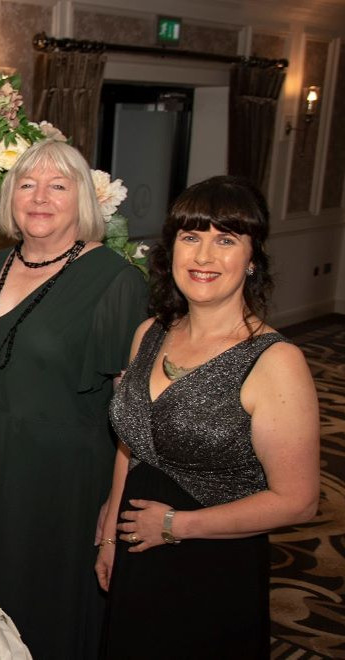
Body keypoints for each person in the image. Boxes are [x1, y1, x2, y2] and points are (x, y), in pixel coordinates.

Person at [97, 176, 319, 658]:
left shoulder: (274, 361)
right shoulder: (149, 334)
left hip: (214, 560)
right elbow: (132, 443)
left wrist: (177, 525)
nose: (203, 256)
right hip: (137, 545)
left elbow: (299, 502)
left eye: (225, 240)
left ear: (252, 257)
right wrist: (111, 527)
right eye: (191, 237)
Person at [0, 139, 148, 659]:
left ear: (83, 200)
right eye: (28, 185)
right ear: (10, 197)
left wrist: (115, 507)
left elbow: (132, 415)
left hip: (61, 482)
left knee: (45, 608)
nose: (41, 197)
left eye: (59, 185)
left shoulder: (115, 281)